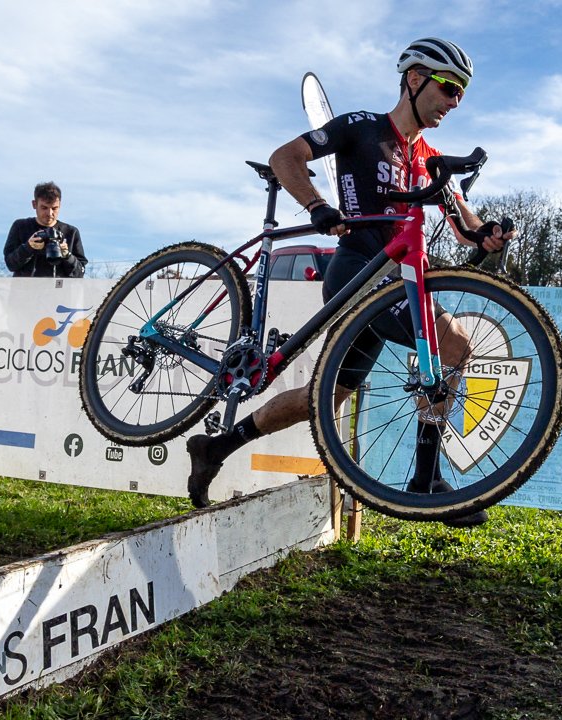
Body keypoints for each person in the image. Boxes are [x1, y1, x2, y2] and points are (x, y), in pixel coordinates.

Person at [187, 38, 513, 527]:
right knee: (454, 345)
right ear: (414, 78)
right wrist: (317, 205)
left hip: (396, 281)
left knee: (323, 397)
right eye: (448, 88)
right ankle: (427, 480)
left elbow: (465, 223)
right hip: (357, 268)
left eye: (462, 94)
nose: (454, 102)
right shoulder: (362, 127)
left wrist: (486, 234)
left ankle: (215, 447)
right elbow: (285, 156)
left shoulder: (428, 156)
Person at [3, 182, 87, 277]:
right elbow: (10, 264)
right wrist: (28, 248)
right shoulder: (20, 227)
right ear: (34, 204)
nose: (49, 213)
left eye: (54, 208)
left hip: (59, 286)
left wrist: (67, 256)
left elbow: (80, 272)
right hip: (25, 286)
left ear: (60, 205)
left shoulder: (71, 232)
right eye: (44, 208)